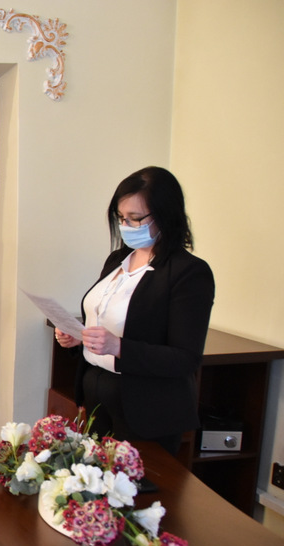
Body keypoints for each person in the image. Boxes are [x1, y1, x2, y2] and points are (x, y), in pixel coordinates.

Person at [55, 166, 215, 456]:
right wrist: (79, 338)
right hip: (97, 397)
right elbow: (106, 319)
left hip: (147, 409)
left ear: (166, 215)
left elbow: (185, 359)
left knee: (137, 483)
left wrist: (118, 346)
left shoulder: (189, 272)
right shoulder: (118, 259)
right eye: (121, 218)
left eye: (136, 218)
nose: (126, 225)